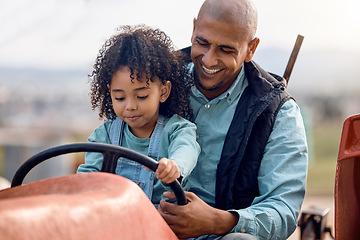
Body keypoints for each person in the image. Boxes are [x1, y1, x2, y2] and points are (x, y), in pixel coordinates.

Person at [158, 0, 308, 239]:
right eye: (202, 42)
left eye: (226, 49)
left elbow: (284, 209)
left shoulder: (279, 111)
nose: (208, 60)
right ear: (194, 28)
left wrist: (218, 221)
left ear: (251, 48)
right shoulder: (154, 81)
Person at [77, 25, 200, 205]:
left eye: (141, 96)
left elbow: (186, 149)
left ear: (163, 91)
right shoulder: (104, 136)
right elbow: (88, 177)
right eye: (119, 97)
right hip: (118, 220)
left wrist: (175, 166)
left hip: (163, 222)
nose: (130, 106)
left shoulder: (177, 130)